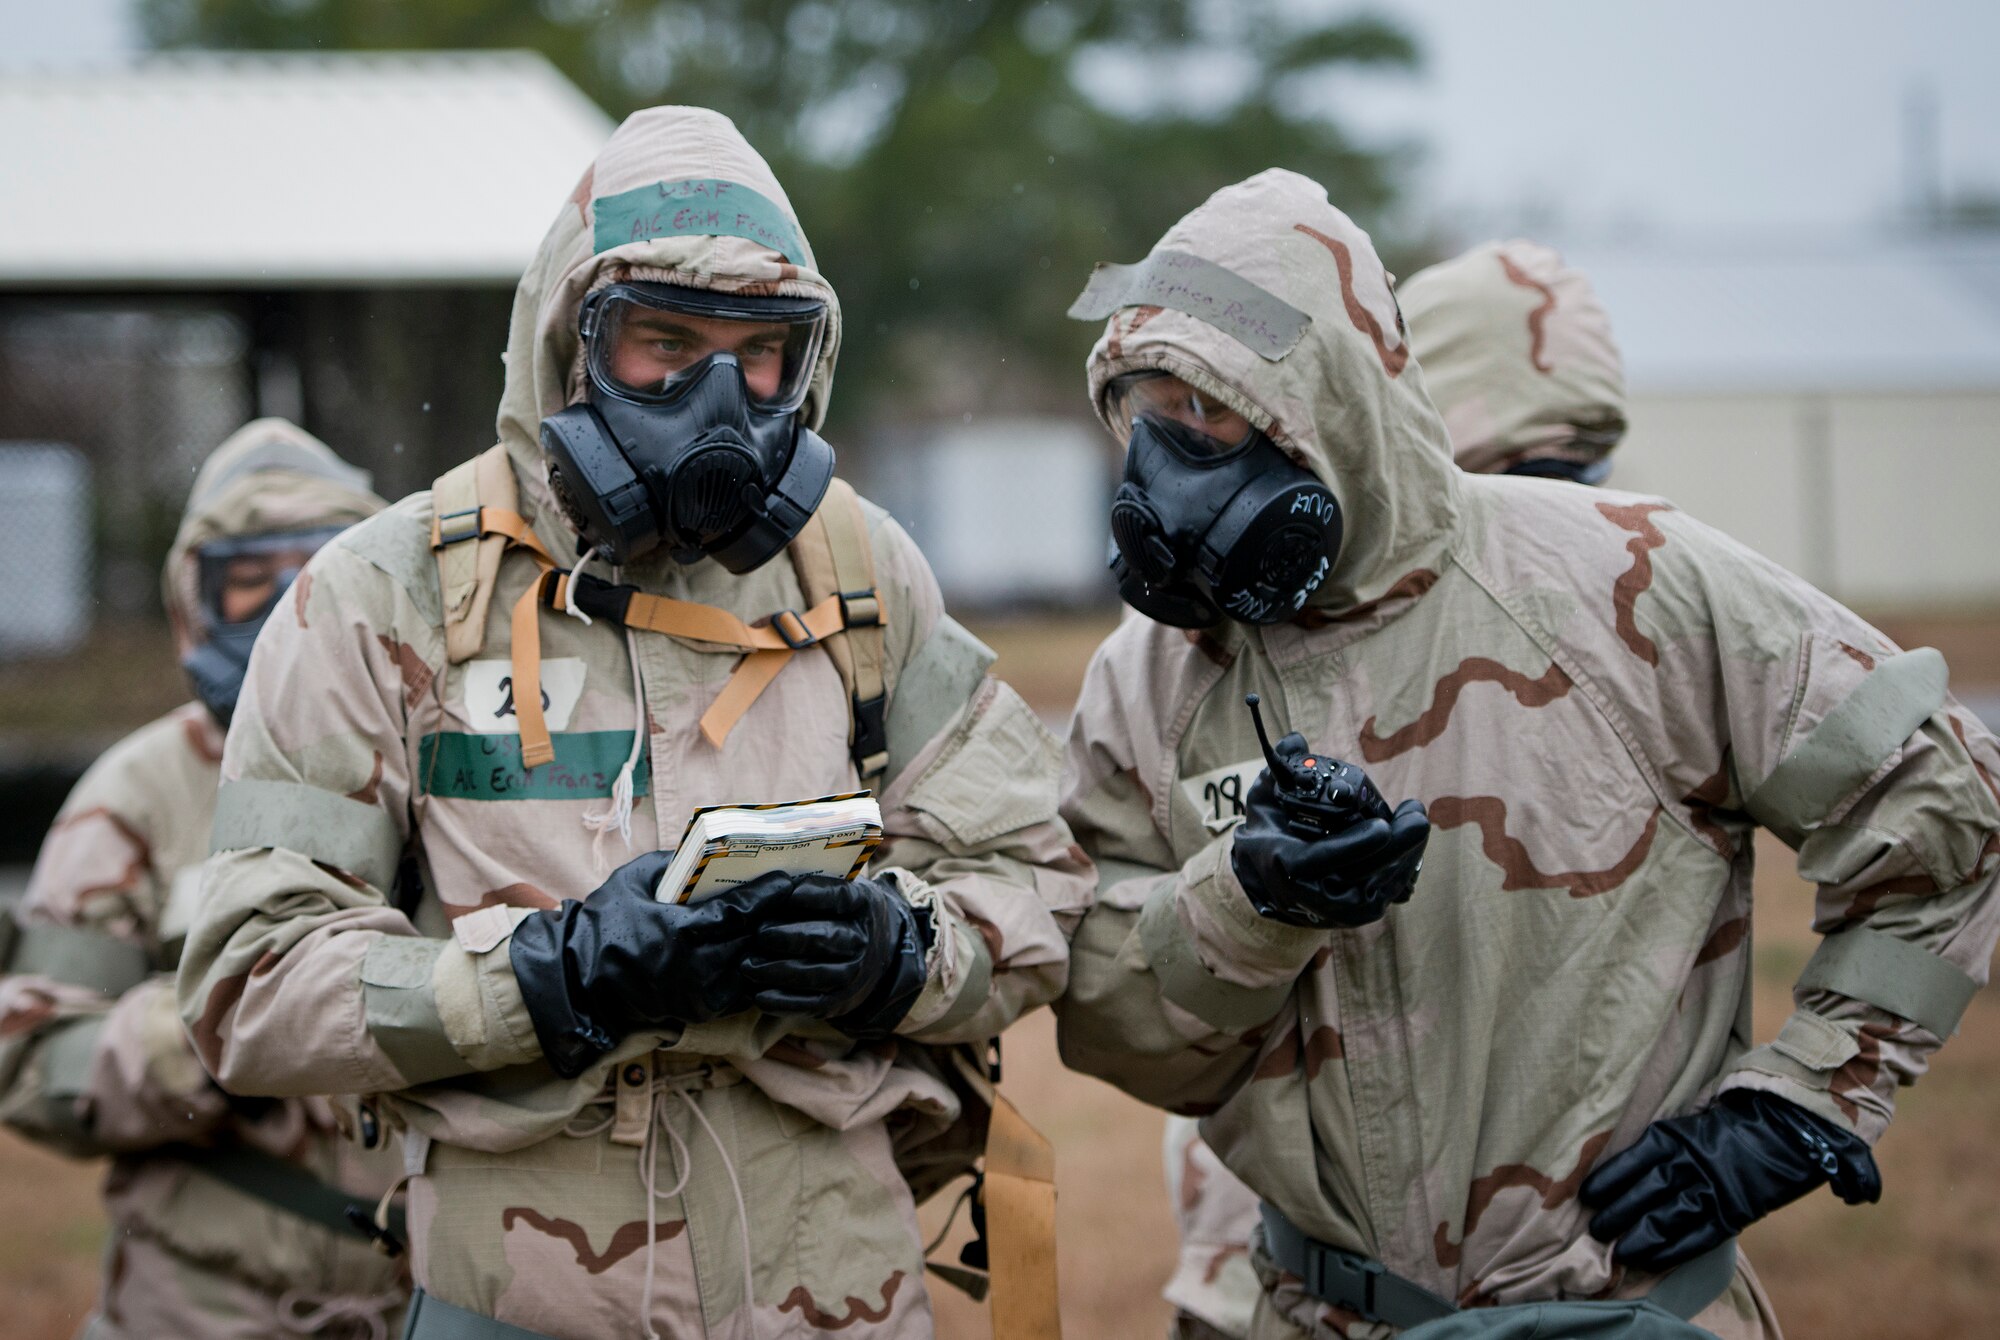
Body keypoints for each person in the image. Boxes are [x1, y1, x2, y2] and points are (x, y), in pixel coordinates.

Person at [177, 105, 1088, 1340]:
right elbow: (248, 983)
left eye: (757, 353)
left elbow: (1036, 887)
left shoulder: (863, 574)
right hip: (526, 1299)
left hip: (837, 1293)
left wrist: (896, 949)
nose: (718, 397)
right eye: (663, 342)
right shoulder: (382, 592)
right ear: (568, 344)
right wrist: (541, 979)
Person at [1055, 170, 2000, 1339]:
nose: (1168, 462)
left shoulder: (1624, 580)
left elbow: (1947, 810)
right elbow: (1101, 1016)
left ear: (1331, 404)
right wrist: (1247, 902)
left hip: (1618, 1314)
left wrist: (1801, 1100)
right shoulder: (1149, 676)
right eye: (1147, 409)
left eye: (1211, 414)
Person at [1156, 236, 1630, 1339]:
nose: (1542, 518)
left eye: (1578, 475)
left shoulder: (1634, 614)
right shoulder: (1263, 640)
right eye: (1507, 473)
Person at [0, 419, 405, 1339]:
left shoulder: (449, 769)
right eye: (253, 586)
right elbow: (30, 1056)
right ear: (192, 604)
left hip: (437, 1297)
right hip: (202, 1306)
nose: (286, 620)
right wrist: (226, 1033)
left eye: (319, 578)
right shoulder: (138, 794)